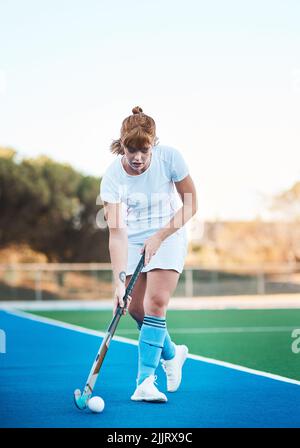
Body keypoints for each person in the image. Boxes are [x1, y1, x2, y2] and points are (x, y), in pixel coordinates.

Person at [100, 106, 198, 402]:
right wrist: (119, 283)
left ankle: (145, 382)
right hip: (132, 239)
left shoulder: (171, 157)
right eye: (132, 149)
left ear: (153, 145)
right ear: (122, 145)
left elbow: (191, 205)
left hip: (168, 232)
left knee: (155, 302)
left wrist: (159, 236)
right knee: (135, 308)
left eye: (144, 149)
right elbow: (116, 234)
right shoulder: (112, 178)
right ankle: (172, 353)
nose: (138, 157)